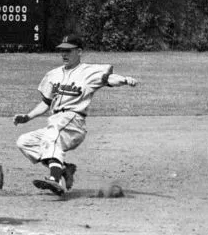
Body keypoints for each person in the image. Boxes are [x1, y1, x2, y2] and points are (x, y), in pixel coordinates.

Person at [13, 34, 139, 196]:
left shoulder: (88, 71)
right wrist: (28, 117)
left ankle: (54, 179)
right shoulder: (53, 74)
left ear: (79, 51)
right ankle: (65, 169)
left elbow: (109, 78)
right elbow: (46, 102)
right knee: (24, 142)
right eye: (62, 51)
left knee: (53, 134)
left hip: (74, 121)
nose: (64, 54)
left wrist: (124, 80)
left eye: (68, 51)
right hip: (56, 122)